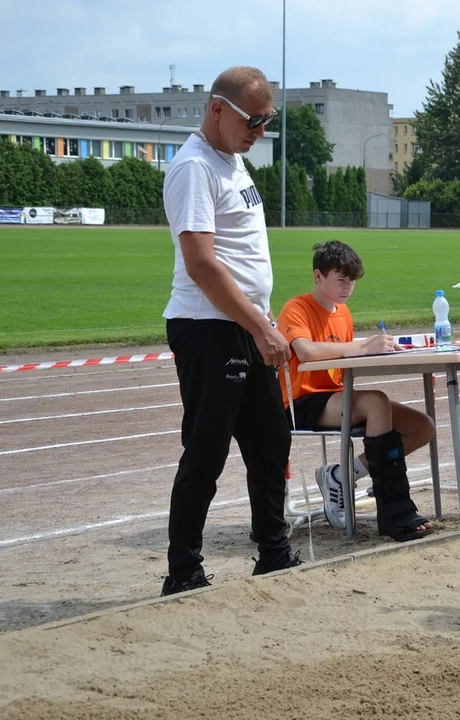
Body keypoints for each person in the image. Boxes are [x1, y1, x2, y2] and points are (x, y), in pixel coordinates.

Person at [160, 66, 299, 596]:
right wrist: (261, 328)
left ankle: (274, 552)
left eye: (267, 121)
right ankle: (184, 571)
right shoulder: (195, 167)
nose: (259, 132)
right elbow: (202, 263)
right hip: (209, 325)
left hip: (244, 324)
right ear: (217, 109)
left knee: (271, 441)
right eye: (253, 120)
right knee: (208, 448)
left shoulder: (234, 161)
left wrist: (261, 324)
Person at [278, 241, 435, 540]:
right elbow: (307, 351)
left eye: (351, 281)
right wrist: (363, 346)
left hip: (336, 394)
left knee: (421, 427)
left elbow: (343, 360)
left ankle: (341, 476)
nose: (347, 287)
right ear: (318, 277)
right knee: (377, 402)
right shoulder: (296, 308)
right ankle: (393, 512)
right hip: (302, 400)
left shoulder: (344, 312)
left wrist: (383, 351)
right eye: (341, 279)